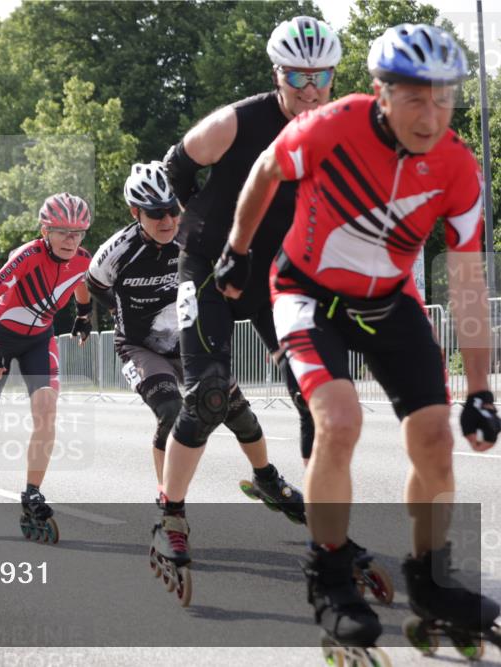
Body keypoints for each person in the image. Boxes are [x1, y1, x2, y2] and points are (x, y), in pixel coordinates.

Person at [221, 23, 501, 657]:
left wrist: (482, 389)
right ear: (381, 92)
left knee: (435, 439)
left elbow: (467, 281)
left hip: (389, 302)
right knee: (339, 421)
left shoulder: (457, 166)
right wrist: (237, 249)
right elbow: (266, 169)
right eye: (415, 98)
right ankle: (329, 578)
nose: (430, 116)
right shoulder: (332, 125)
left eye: (444, 99)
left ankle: (431, 582)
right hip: (307, 294)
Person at [156, 15, 336, 560]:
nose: (310, 89)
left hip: (278, 278)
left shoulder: (337, 129)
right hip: (211, 269)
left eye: (321, 77)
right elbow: (175, 166)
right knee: (208, 396)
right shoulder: (235, 123)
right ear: (277, 73)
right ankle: (170, 515)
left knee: (319, 396)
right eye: (297, 76)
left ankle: (326, 530)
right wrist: (200, 221)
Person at [87, 161, 298, 569]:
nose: (168, 220)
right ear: (135, 212)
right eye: (156, 214)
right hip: (141, 346)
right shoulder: (117, 251)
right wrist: (112, 314)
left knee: (233, 410)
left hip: (188, 340)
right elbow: (93, 285)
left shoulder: (196, 236)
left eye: (172, 209)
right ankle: (170, 511)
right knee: (171, 412)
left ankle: (267, 478)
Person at [0, 192, 93, 541]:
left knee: (47, 409)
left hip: (39, 341)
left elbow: (81, 282)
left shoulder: (83, 259)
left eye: (78, 233)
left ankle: (32, 493)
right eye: (63, 232)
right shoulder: (28, 255)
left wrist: (84, 314)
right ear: (45, 230)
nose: (71, 240)